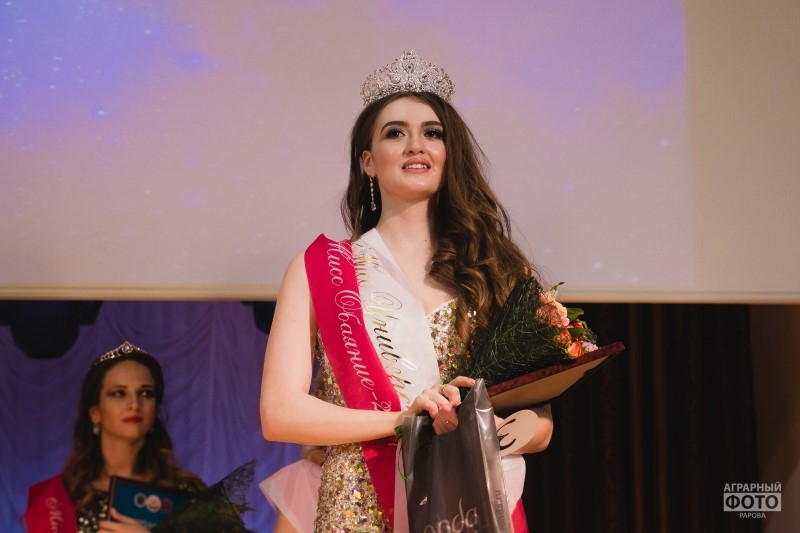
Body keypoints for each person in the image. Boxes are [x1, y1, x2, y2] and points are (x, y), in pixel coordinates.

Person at [260, 50, 553, 532]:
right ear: (368, 161)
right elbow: (280, 414)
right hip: (358, 505)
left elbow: (535, 404)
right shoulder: (319, 269)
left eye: (432, 133)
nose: (416, 145)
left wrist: (531, 426)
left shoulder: (495, 269)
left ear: (449, 154)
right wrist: (402, 420)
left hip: (466, 501)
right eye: (395, 133)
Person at [23, 341, 206, 533]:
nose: (134, 404)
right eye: (119, 393)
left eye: (145, 393)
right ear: (95, 413)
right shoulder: (63, 495)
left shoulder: (187, 492)